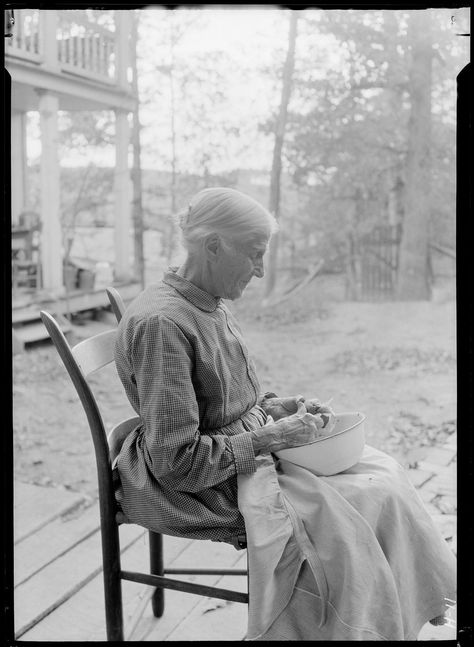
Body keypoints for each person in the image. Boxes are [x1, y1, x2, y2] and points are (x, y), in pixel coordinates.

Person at [113, 187, 455, 641]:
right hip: (194, 487)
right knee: (355, 504)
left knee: (384, 475)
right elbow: (176, 463)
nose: (260, 270)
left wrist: (280, 409)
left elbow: (225, 401)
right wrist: (272, 437)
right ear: (213, 246)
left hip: (235, 459)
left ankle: (386, 621)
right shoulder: (164, 324)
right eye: (255, 255)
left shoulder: (209, 302)